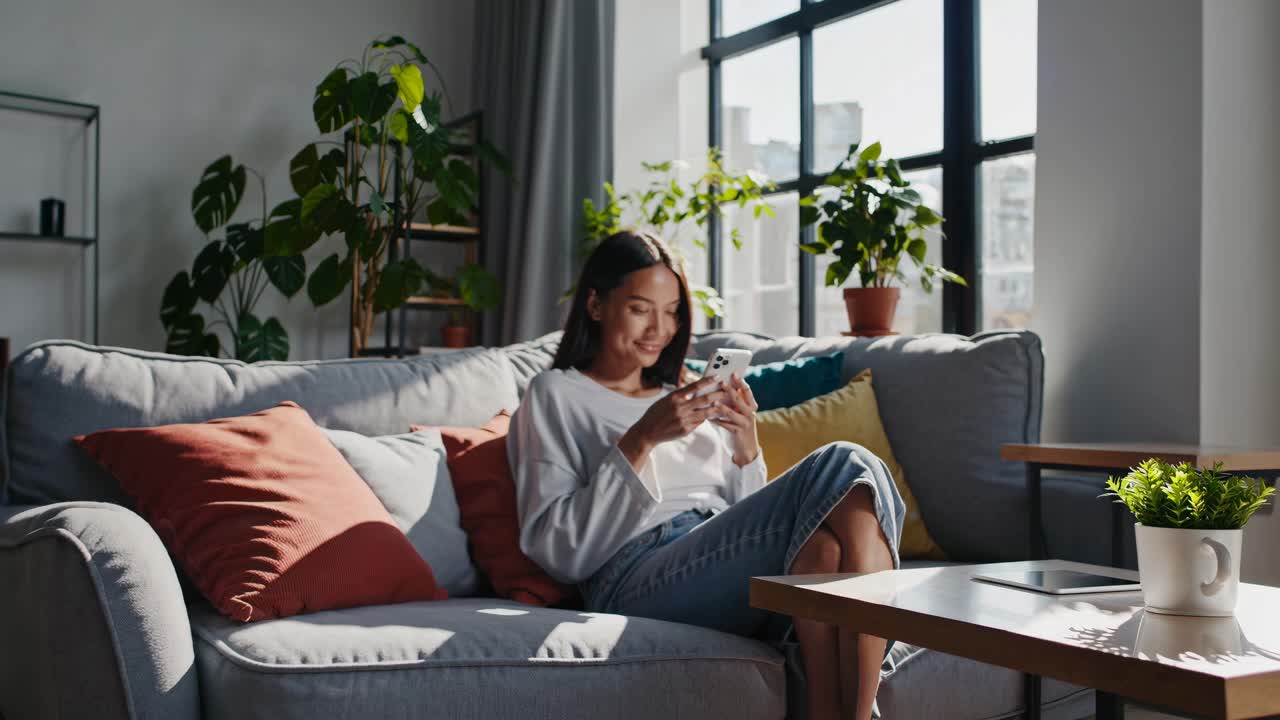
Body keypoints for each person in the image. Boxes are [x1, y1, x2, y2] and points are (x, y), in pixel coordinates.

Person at [508, 229, 905, 720]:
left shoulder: (682, 394)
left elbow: (741, 520)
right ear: (595, 304)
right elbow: (557, 550)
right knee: (849, 463)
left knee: (820, 552)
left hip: (710, 556)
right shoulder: (554, 395)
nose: (660, 328)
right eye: (640, 308)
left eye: (672, 311)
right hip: (632, 574)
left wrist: (744, 446)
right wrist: (641, 439)